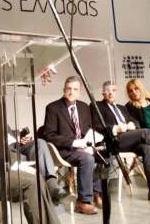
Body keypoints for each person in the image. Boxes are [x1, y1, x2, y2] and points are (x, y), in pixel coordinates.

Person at [92, 81, 150, 201]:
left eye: (114, 90)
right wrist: (116, 128)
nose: (111, 93)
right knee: (146, 132)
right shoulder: (97, 106)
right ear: (103, 93)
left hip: (129, 140)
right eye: (108, 90)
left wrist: (132, 124)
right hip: (114, 140)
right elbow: (96, 125)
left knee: (147, 148)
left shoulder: (122, 108)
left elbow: (135, 122)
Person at [42, 76, 102, 215]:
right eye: (69, 88)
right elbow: (49, 135)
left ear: (79, 92)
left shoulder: (84, 107)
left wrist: (90, 143)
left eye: (75, 89)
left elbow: (88, 129)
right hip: (64, 150)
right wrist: (74, 143)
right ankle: (83, 202)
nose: (71, 92)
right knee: (87, 159)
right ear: (64, 90)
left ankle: (96, 193)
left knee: (105, 153)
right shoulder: (53, 108)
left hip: (84, 147)